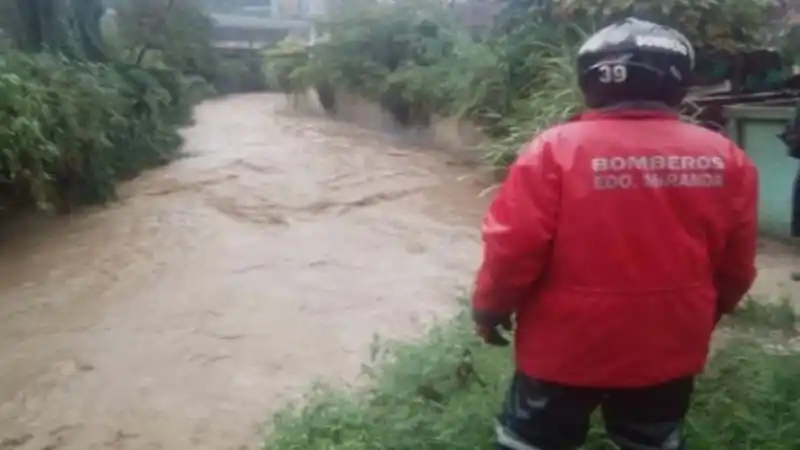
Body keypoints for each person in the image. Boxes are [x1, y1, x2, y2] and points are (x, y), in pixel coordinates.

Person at [471, 18, 759, 450]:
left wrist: (489, 310)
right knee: (651, 440)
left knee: (532, 442)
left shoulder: (553, 149)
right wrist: (705, 314)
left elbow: (512, 248)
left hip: (563, 348)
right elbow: (735, 265)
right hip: (668, 342)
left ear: (589, 80)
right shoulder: (726, 157)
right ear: (678, 82)